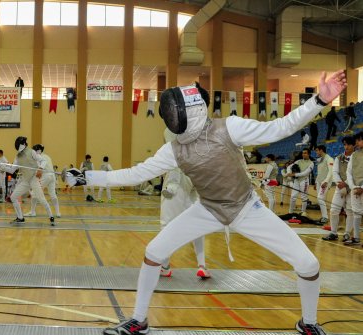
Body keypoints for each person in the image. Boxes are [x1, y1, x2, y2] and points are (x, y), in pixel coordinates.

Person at [66, 70, 345, 335]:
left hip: (247, 208)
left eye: (175, 111)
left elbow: (280, 127)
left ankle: (308, 323)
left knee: (308, 265)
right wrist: (85, 178)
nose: (171, 116)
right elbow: (137, 173)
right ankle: (139, 320)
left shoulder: (230, 128)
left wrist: (318, 101)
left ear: (193, 109)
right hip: (207, 208)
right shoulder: (174, 149)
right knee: (154, 252)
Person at [159, 129, 209, 279]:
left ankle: (165, 266)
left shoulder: (171, 128)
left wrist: (172, 182)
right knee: (197, 225)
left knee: (166, 224)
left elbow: (175, 153)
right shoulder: (201, 129)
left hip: (177, 179)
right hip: (197, 177)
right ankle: (202, 266)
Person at [6, 137, 54, 225]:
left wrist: (40, 169)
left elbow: (43, 160)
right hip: (25, 181)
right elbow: (12, 170)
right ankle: (20, 217)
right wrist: (2, 166)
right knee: (13, 197)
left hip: (33, 179)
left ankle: (51, 216)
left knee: (41, 198)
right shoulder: (17, 156)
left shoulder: (31, 151)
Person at [323, 136, 355, 241]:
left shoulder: (357, 158)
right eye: (345, 144)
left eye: (349, 144)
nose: (346, 147)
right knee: (333, 210)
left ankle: (347, 233)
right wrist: (339, 183)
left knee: (350, 211)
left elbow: (356, 173)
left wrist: (345, 183)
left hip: (352, 187)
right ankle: (333, 233)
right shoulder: (338, 157)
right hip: (339, 187)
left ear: (353, 145)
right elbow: (335, 172)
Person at [25, 144, 61, 218]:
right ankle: (58, 213)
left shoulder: (39, 157)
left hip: (46, 176)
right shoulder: (47, 156)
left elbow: (38, 170)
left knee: (34, 193)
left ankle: (32, 212)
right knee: (53, 195)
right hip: (52, 176)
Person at [345, 131, 363, 246]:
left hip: (361, 188)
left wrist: (362, 187)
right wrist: (353, 187)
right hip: (355, 188)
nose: (356, 143)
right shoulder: (354, 155)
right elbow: (349, 172)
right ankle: (356, 238)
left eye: (358, 140)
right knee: (356, 212)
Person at [287, 149, 314, 215]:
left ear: (309, 154)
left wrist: (294, 174)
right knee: (293, 196)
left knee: (304, 197)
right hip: (296, 180)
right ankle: (290, 212)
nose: (303, 154)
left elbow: (305, 173)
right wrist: (289, 173)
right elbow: (289, 167)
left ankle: (303, 212)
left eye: (305, 153)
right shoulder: (298, 161)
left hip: (304, 181)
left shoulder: (311, 163)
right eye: (302, 153)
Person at [314, 145, 334, 223]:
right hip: (319, 182)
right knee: (320, 199)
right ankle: (323, 216)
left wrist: (326, 181)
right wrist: (316, 182)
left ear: (321, 150)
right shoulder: (320, 160)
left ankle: (325, 217)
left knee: (320, 199)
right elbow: (319, 173)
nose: (316, 152)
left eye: (317, 150)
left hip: (324, 182)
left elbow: (331, 171)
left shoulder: (329, 159)